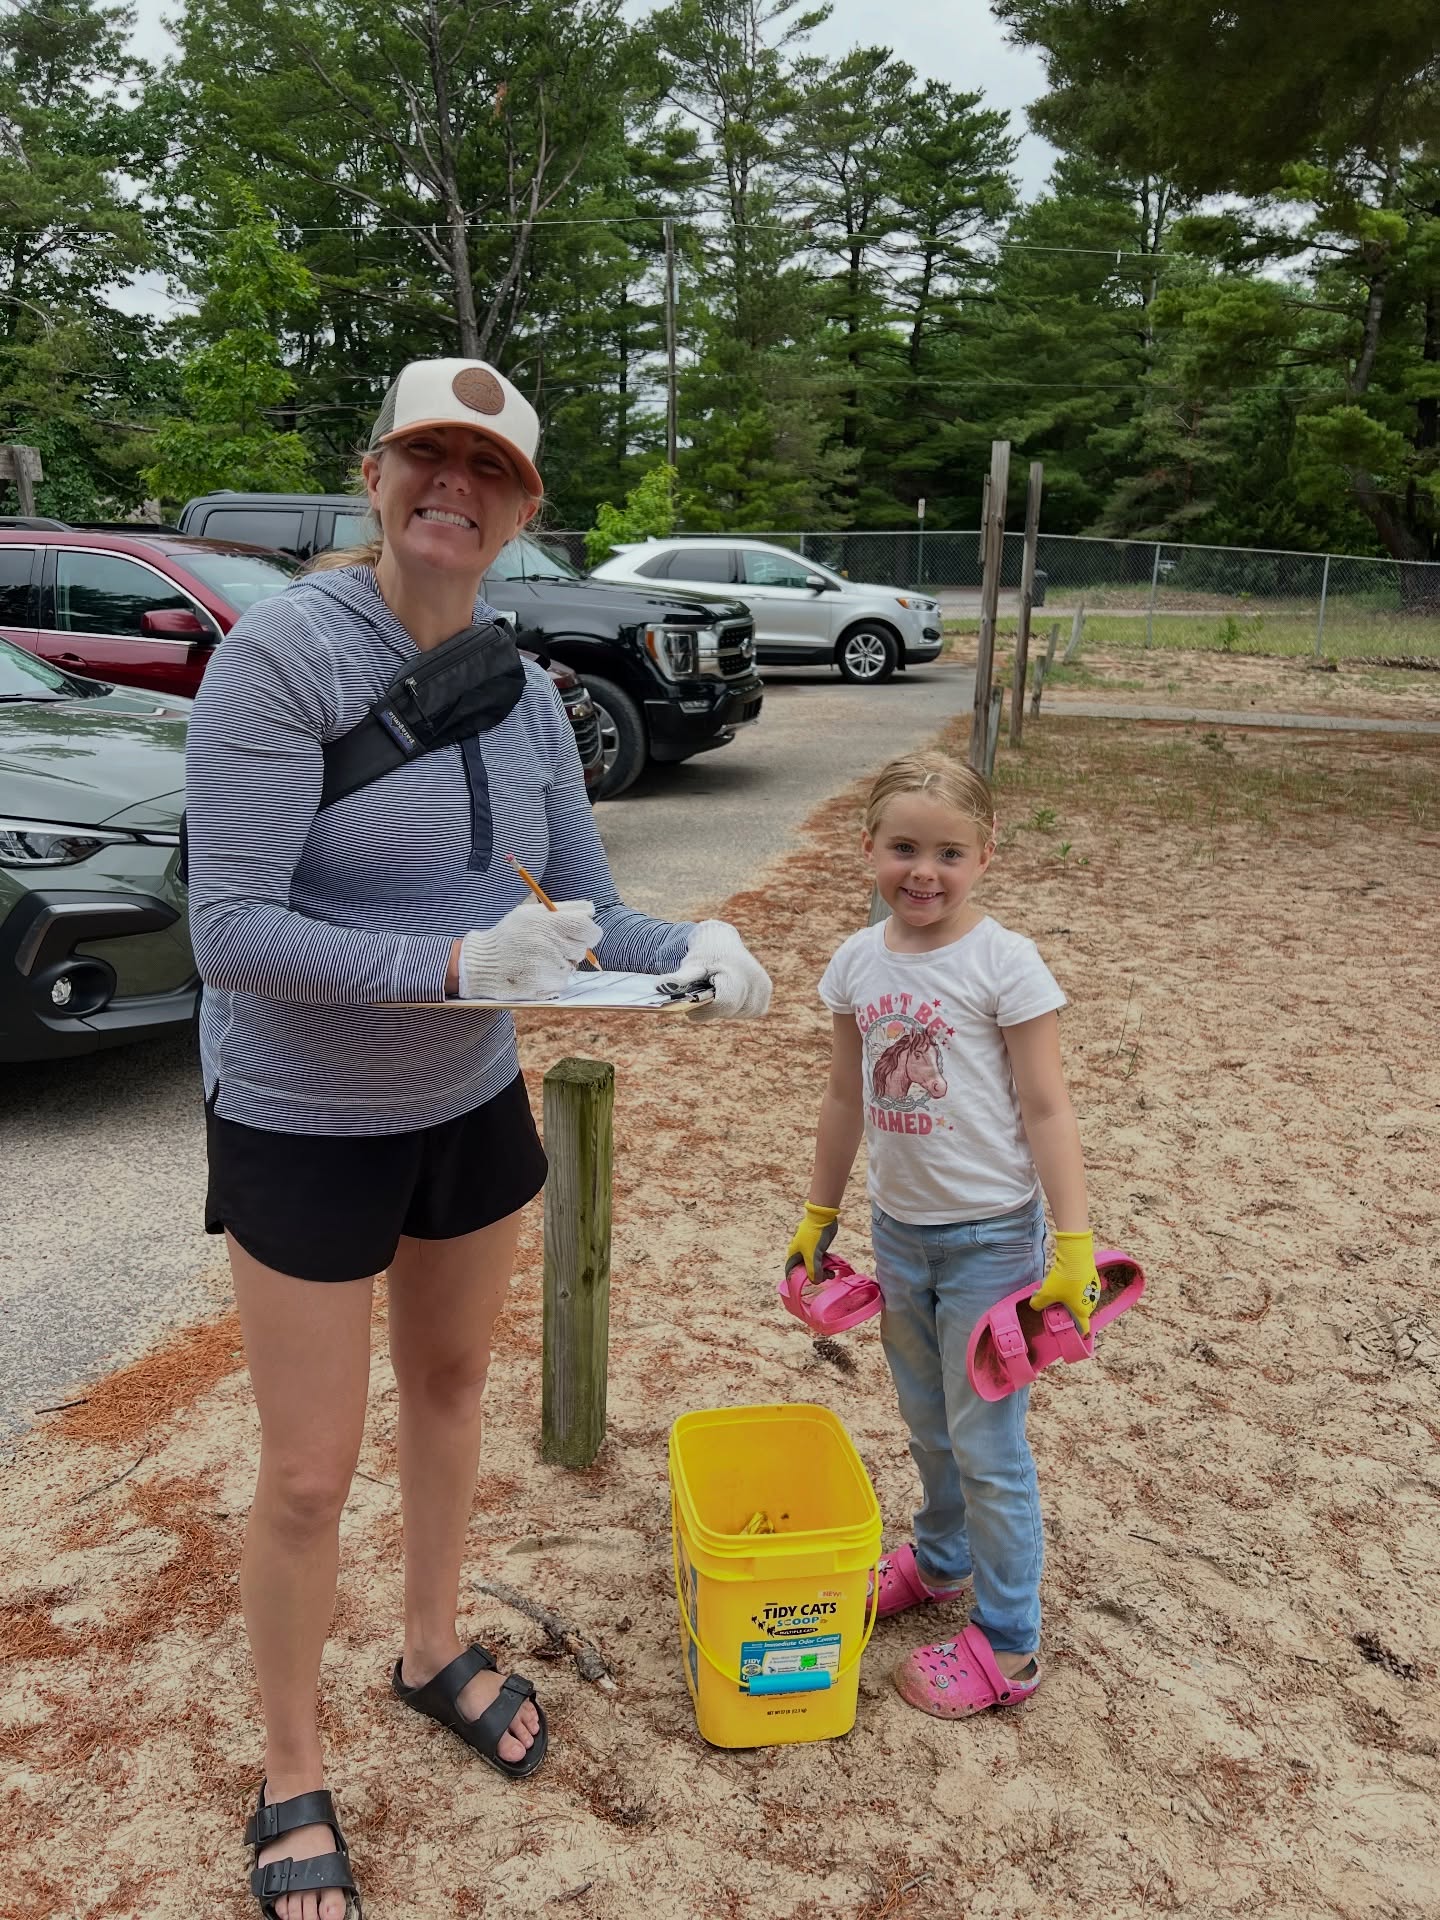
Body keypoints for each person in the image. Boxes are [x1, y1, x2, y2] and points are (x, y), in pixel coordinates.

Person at [184, 356, 772, 1920]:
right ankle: (291, 1767)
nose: (454, 485)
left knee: (450, 1391)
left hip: (462, 1102)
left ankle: (433, 1641)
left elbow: (582, 907)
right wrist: (440, 966)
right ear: (375, 476)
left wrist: (695, 948)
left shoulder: (519, 693)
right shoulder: (282, 660)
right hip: (308, 1111)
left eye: (487, 469)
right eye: (426, 458)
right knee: (308, 1474)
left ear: (523, 509)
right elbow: (228, 929)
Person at [785, 751, 1103, 1722]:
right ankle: (941, 1558)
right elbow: (846, 1095)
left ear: (986, 856)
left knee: (988, 1442)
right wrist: (819, 1212)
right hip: (899, 1235)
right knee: (927, 1420)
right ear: (868, 848)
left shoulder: (1005, 964)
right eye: (905, 849)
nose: (924, 872)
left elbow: (1046, 1108)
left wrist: (1075, 1245)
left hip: (991, 1244)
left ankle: (1009, 1643)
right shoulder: (855, 964)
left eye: (949, 853)